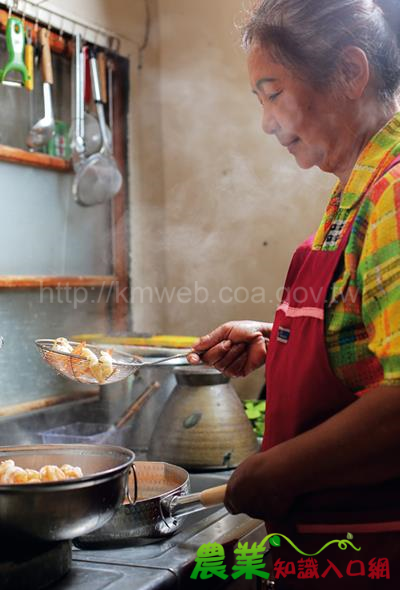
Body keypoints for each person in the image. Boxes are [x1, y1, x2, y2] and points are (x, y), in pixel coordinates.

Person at [188, 0, 400, 587]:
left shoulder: (395, 195)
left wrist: (276, 468)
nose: (266, 121)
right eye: (259, 99)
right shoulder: (350, 197)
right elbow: (368, 345)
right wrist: (277, 341)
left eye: (273, 91)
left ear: (351, 74)